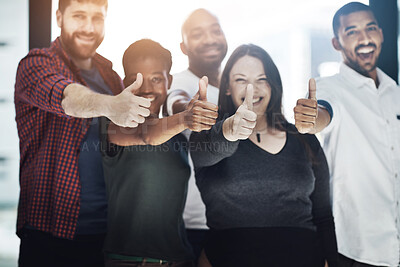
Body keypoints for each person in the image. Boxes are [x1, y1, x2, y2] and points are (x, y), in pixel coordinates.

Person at [14, 0, 151, 266]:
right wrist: (110, 105)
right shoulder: (35, 64)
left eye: (97, 18)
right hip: (48, 234)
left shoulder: (110, 76)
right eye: (79, 15)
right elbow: (67, 97)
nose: (89, 27)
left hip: (109, 235)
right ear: (59, 17)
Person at [190, 44, 338, 267]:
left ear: (273, 84)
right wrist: (230, 131)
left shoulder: (303, 138)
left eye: (261, 79)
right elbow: (212, 149)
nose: (253, 89)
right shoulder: (206, 135)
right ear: (227, 87)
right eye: (241, 80)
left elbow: (324, 216)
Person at [293, 2, 400, 266]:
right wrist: (310, 120)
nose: (364, 38)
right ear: (336, 42)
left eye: (370, 28)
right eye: (352, 31)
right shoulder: (329, 89)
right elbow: (322, 114)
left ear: (382, 34)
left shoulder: (396, 92)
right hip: (357, 248)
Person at [101, 39, 219, 267]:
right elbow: (145, 135)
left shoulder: (177, 134)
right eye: (136, 80)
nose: (146, 88)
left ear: (169, 81)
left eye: (156, 79)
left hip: (180, 259)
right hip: (128, 261)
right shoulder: (111, 125)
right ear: (124, 83)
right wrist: (186, 118)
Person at [164, 8, 228, 260]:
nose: (210, 39)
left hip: (238, 219)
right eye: (198, 34)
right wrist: (188, 112)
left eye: (215, 30)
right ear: (183, 46)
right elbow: (176, 102)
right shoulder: (181, 83)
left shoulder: (238, 85)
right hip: (194, 224)